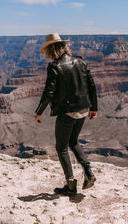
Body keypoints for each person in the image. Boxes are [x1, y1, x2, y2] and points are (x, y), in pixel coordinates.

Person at [35, 33, 98, 196]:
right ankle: (88, 170)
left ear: (51, 49)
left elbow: (48, 93)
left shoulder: (55, 66)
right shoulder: (81, 61)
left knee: (61, 147)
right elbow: (91, 86)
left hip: (67, 113)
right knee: (73, 141)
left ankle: (70, 184)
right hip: (84, 110)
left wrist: (39, 112)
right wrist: (94, 108)